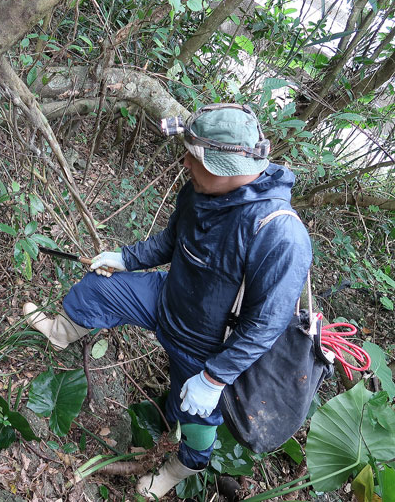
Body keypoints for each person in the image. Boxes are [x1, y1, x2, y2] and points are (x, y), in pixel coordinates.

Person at [23, 104, 312, 498]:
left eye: (194, 157)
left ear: (226, 166)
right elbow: (171, 241)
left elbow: (265, 325)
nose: (185, 164)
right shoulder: (199, 190)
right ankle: (61, 332)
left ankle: (179, 469)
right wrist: (126, 259)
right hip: (168, 298)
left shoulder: (279, 234)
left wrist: (213, 378)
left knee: (195, 416)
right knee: (99, 286)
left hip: (207, 346)